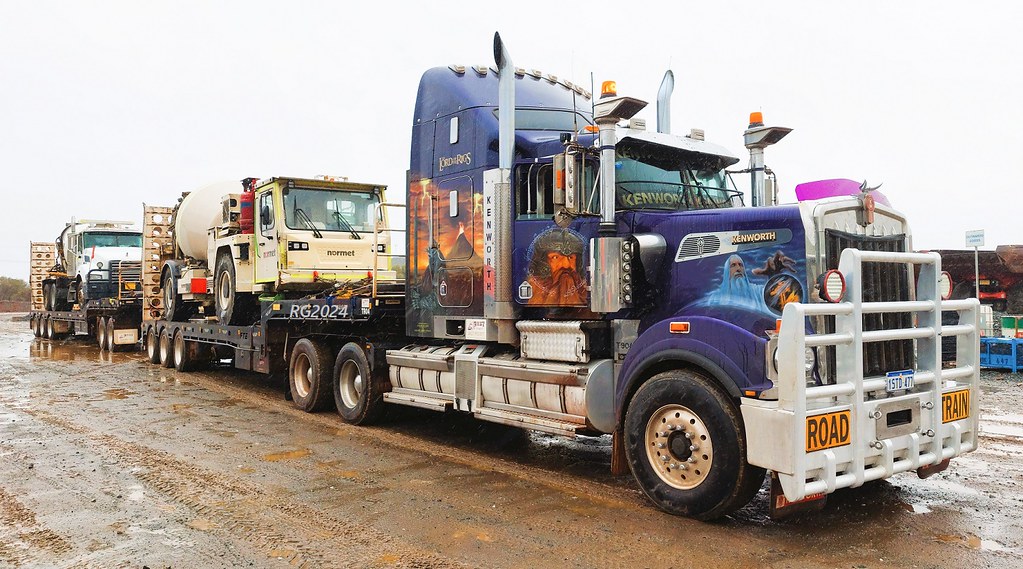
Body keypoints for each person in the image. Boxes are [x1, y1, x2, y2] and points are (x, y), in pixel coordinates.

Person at [525, 228, 587, 306]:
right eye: (555, 257)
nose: (566, 265)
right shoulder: (534, 290)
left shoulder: (585, 291)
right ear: (543, 262)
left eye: (571, 257)